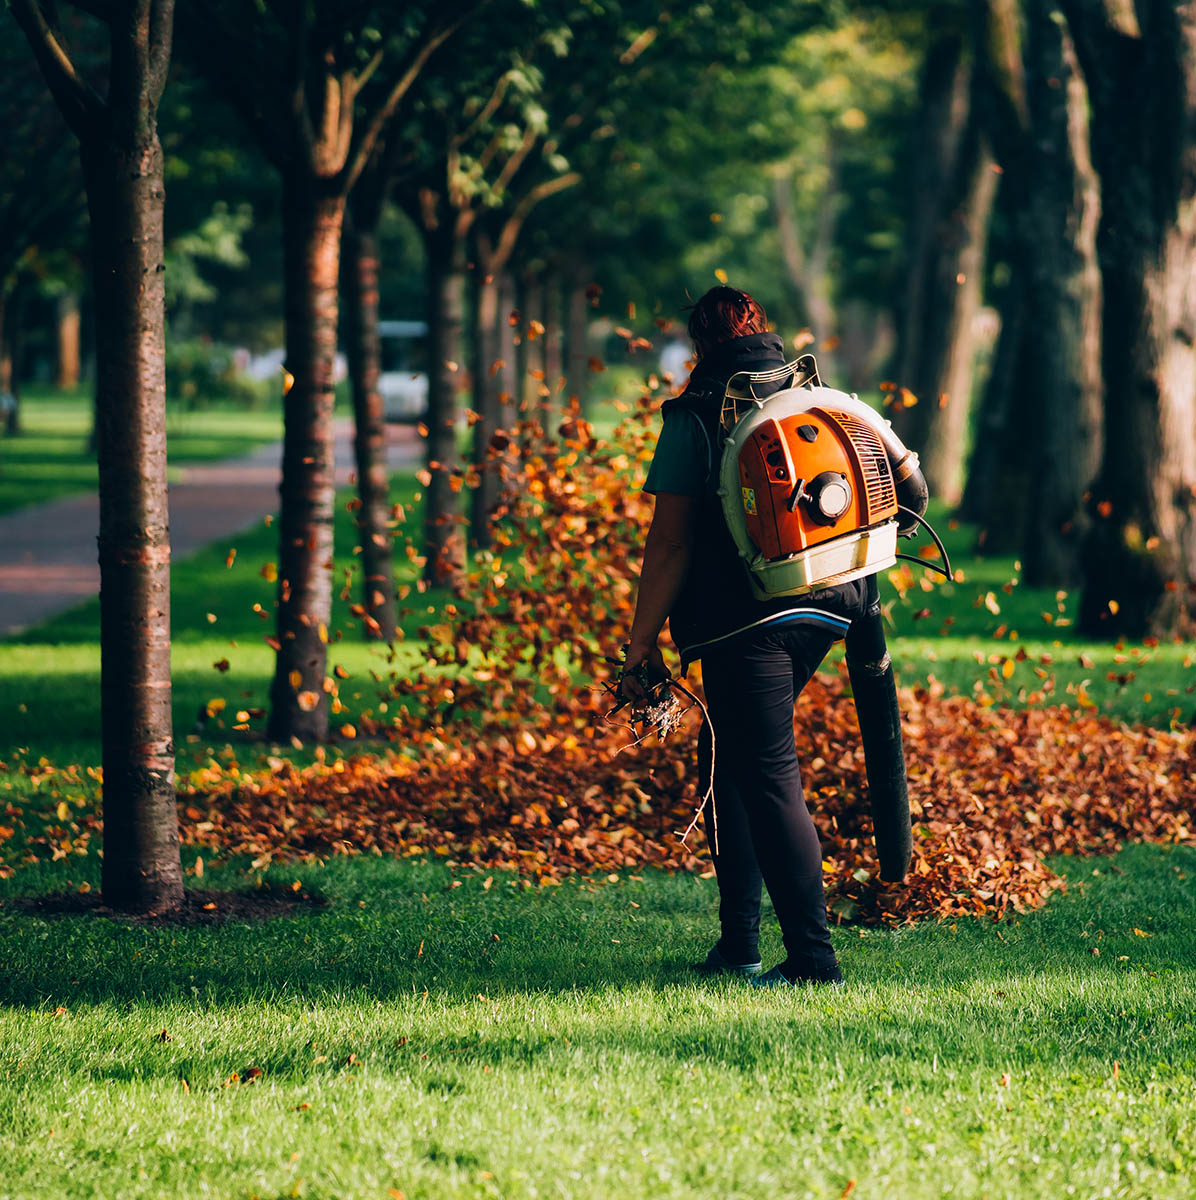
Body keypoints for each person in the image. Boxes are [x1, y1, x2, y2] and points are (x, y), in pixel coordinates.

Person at [623, 285, 867, 989]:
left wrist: (641, 646)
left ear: (700, 344)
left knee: (765, 774)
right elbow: (904, 490)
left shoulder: (695, 415)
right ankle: (739, 946)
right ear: (762, 330)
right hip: (829, 607)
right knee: (727, 755)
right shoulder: (812, 395)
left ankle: (815, 964)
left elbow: (669, 546)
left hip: (748, 621)